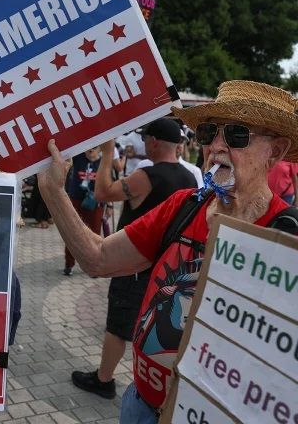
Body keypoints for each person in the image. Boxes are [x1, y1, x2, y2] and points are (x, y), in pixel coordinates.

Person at [38, 80, 298, 422]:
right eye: (208, 133)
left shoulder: (286, 239)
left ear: (275, 152)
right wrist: (53, 190)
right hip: (139, 405)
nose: (216, 146)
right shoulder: (184, 206)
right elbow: (97, 258)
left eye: (236, 134)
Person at [69, 118, 196, 399]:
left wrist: (107, 152)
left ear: (152, 141)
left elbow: (102, 192)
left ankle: (104, 380)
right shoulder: (188, 178)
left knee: (118, 325)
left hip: (134, 265)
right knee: (158, 327)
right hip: (167, 269)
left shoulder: (146, 176)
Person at [63, 146, 104, 275]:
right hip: (76, 200)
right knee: (73, 232)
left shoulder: (103, 162)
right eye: (88, 148)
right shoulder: (78, 157)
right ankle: (69, 264)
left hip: (95, 202)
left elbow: (108, 183)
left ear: (100, 149)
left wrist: (109, 207)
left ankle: (95, 267)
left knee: (95, 236)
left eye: (95, 148)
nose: (90, 151)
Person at [136, 128, 204, 188]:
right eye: (173, 141)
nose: (177, 145)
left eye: (181, 141)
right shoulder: (143, 165)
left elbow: (199, 198)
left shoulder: (194, 171)